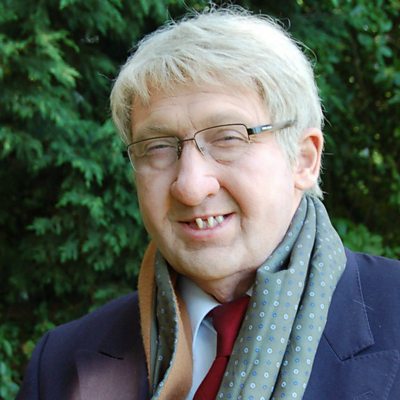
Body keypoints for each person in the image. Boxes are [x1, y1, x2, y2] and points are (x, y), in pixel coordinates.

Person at [17, 7, 400, 400]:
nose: (190, 186)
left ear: (304, 159)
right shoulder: (59, 365)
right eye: (158, 146)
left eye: (228, 138)